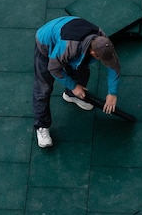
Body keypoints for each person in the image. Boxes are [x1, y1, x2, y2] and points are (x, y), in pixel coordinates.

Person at [33, 16, 121, 148]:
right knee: (43, 90)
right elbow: (54, 68)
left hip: (72, 43)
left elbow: (114, 66)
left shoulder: (103, 42)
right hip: (46, 43)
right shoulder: (68, 47)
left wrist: (112, 93)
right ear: (92, 52)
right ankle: (42, 126)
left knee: (83, 71)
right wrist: (74, 86)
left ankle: (71, 96)